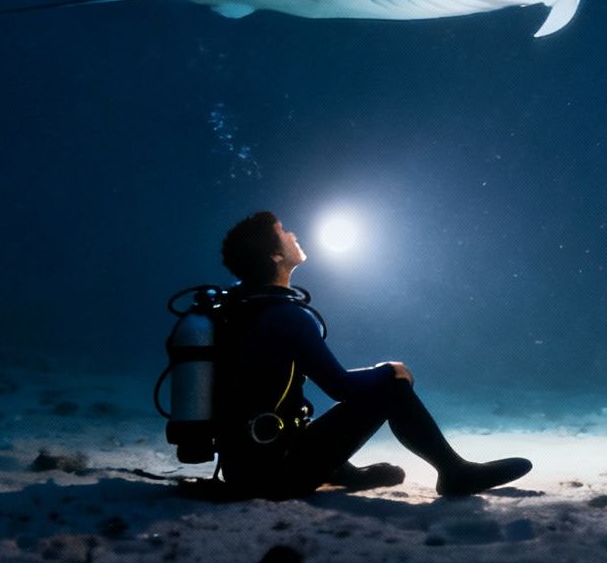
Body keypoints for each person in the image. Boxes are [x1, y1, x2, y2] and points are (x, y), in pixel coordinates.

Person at [213, 211, 533, 498]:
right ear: (274, 256)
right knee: (391, 387)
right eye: (283, 232)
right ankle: (455, 473)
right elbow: (339, 386)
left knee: (358, 394)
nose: (292, 235)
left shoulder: (242, 309)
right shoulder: (286, 315)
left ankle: (340, 471)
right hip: (276, 476)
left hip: (244, 470)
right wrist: (388, 370)